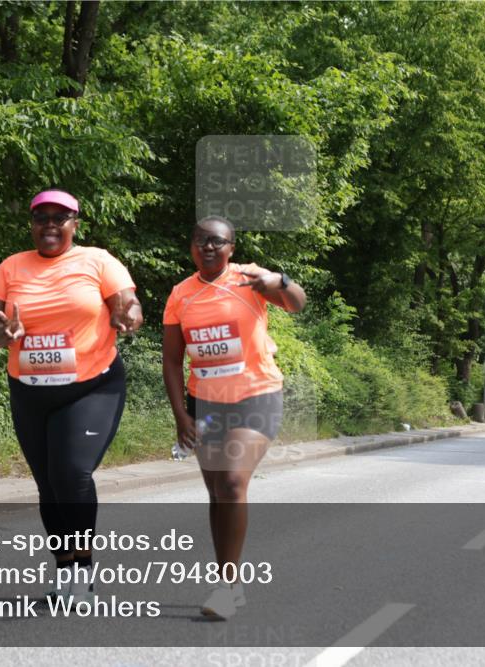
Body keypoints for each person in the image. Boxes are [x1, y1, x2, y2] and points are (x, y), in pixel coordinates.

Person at [0, 188, 142, 606]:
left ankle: (84, 569)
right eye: (41, 217)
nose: (49, 224)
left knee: (71, 474)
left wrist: (129, 316)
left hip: (91, 385)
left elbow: (130, 305)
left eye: (60, 217)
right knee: (49, 485)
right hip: (30, 391)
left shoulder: (98, 260)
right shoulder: (10, 268)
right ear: (32, 224)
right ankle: (65, 568)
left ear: (75, 223)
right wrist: (4, 333)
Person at [162, 215, 306, 618]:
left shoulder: (250, 278)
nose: (208, 247)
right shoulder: (180, 294)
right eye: (200, 241)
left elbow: (297, 304)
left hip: (255, 396)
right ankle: (232, 580)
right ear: (191, 246)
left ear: (231, 248)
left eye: (217, 241)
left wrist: (280, 281)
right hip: (204, 403)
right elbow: (172, 362)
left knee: (230, 480)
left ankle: (226, 588)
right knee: (217, 493)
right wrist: (180, 416)